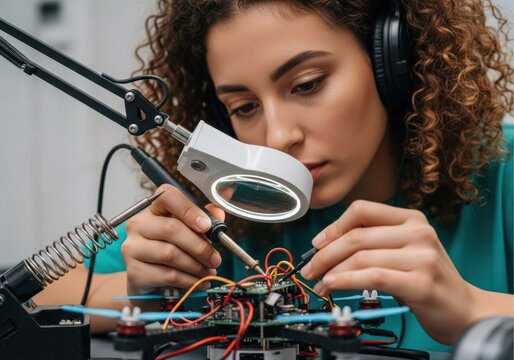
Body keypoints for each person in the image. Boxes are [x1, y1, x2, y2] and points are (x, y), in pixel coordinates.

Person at [39, 0, 514, 352]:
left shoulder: (504, 169)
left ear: (392, 63)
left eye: (307, 85)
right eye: (244, 108)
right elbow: (39, 293)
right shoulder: (237, 204)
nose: (278, 137)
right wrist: (138, 296)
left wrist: (474, 310)